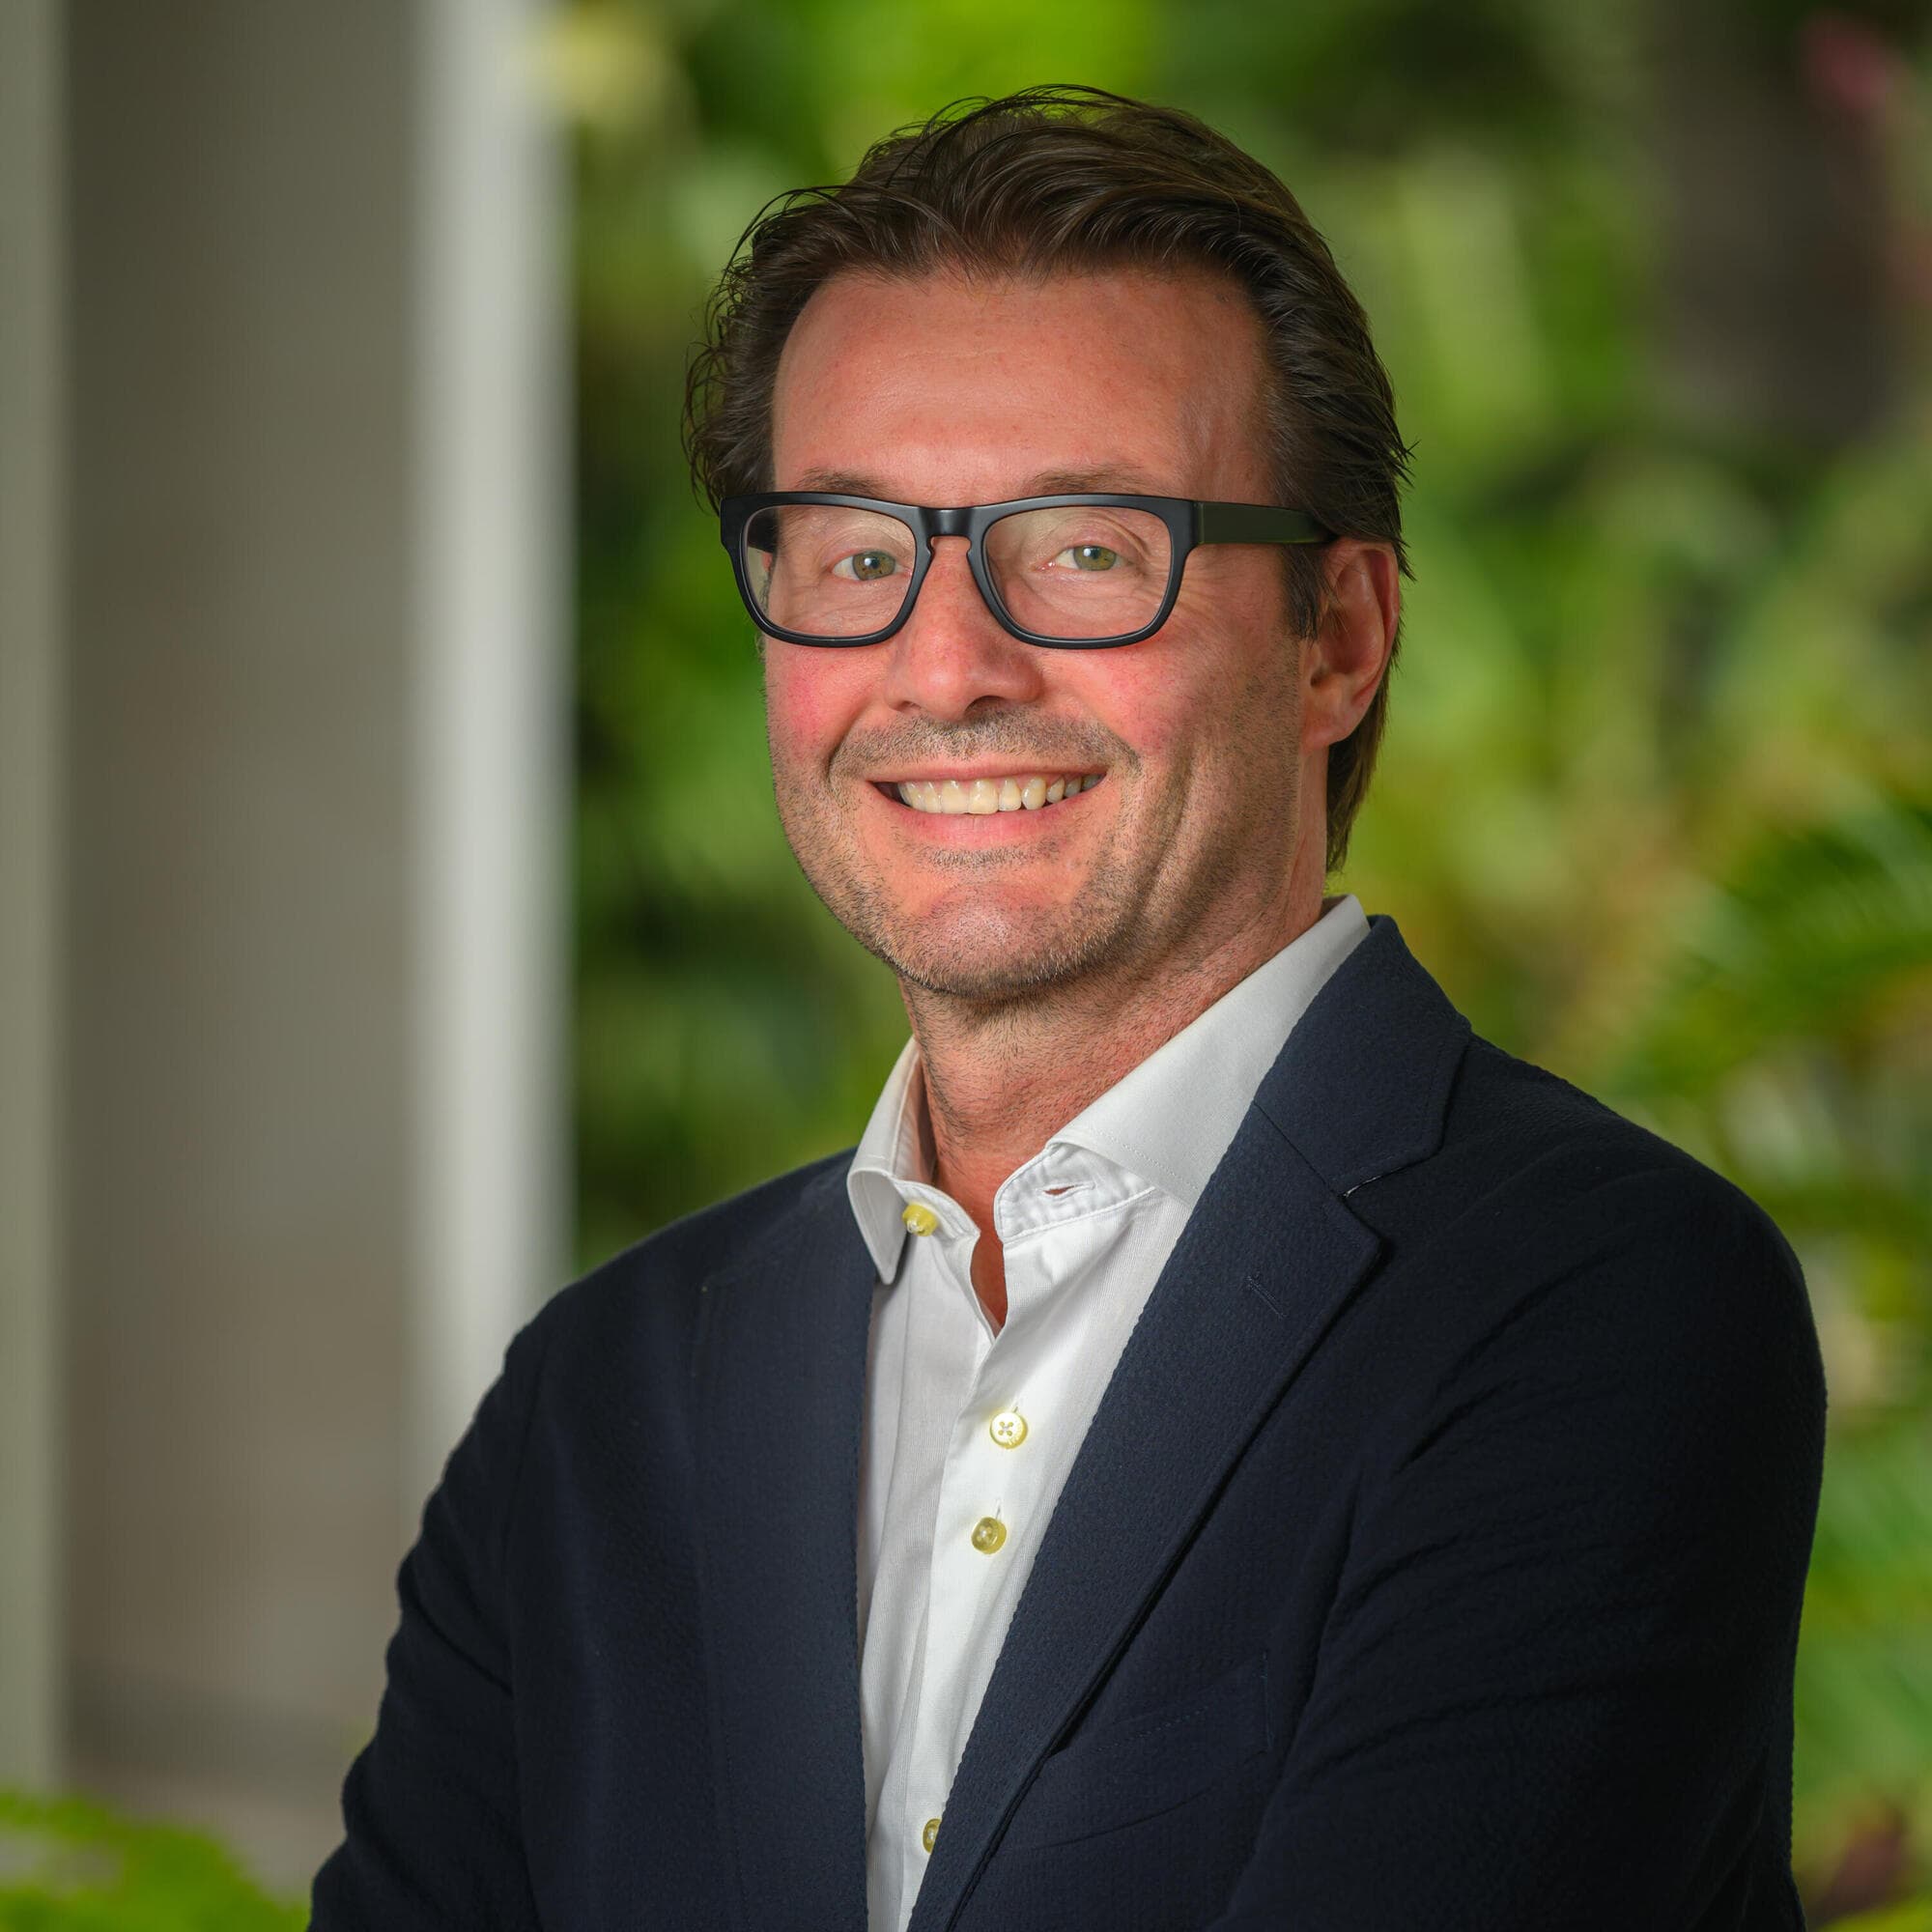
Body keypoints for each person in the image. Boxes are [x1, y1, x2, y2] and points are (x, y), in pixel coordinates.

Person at [312, 86, 1826, 1932]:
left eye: (1090, 549)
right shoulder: (600, 1400)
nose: (947, 666)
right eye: (857, 554)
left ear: (1340, 639)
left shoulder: (1595, 1303)